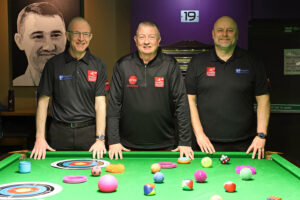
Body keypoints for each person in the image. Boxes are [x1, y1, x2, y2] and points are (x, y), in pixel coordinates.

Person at [185, 16, 270, 159]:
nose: (224, 34)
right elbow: (189, 100)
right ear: (213, 34)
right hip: (205, 144)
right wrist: (199, 135)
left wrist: (261, 135)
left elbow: (263, 100)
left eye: (230, 30)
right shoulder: (197, 62)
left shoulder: (253, 62)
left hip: (246, 145)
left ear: (236, 34)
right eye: (220, 30)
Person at [107, 21, 194, 160]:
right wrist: (113, 141)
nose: (146, 42)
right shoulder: (122, 65)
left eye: (151, 37)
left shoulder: (170, 65)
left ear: (159, 40)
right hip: (126, 147)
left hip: (165, 145)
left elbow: (181, 104)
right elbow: (113, 105)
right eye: (142, 37)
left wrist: (184, 142)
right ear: (135, 40)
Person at [30, 17, 108, 160]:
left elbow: (100, 104)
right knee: (56, 174)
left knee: (92, 176)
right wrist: (40, 138)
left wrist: (100, 139)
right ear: (67, 35)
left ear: (90, 37)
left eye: (85, 34)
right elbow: (42, 103)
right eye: (76, 33)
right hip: (60, 133)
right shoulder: (53, 65)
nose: (81, 38)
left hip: (88, 133)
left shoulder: (99, 65)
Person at [13, 2, 67, 86]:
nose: (49, 47)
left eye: (56, 35)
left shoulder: (80, 87)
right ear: (19, 41)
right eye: (38, 36)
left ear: (66, 38)